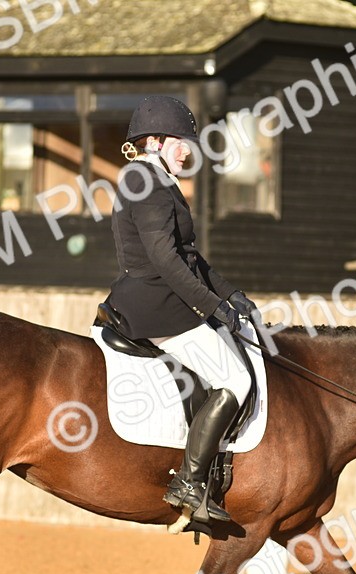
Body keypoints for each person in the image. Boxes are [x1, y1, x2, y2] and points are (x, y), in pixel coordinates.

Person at [105, 95, 257, 524]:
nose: (188, 149)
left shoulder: (155, 178)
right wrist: (211, 307)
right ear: (153, 140)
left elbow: (190, 256)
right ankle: (189, 482)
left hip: (161, 294)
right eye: (180, 141)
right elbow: (166, 261)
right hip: (156, 302)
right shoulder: (147, 182)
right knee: (235, 378)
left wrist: (230, 295)